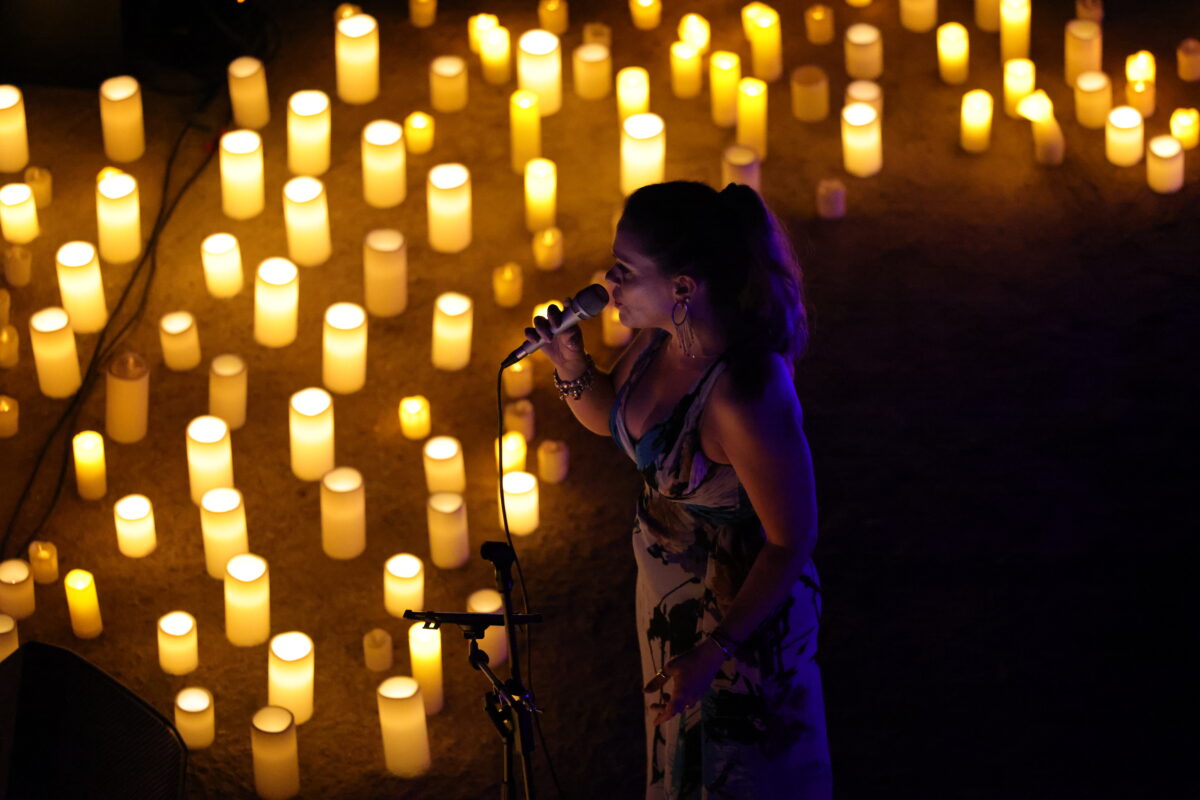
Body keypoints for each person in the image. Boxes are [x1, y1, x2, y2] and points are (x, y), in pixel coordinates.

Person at [525, 181, 832, 799]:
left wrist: (714, 651)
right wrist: (570, 367)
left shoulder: (745, 395)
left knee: (734, 776)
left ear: (683, 288)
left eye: (625, 272)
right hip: (672, 607)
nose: (608, 285)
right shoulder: (663, 339)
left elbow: (791, 540)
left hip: (738, 629)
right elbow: (619, 420)